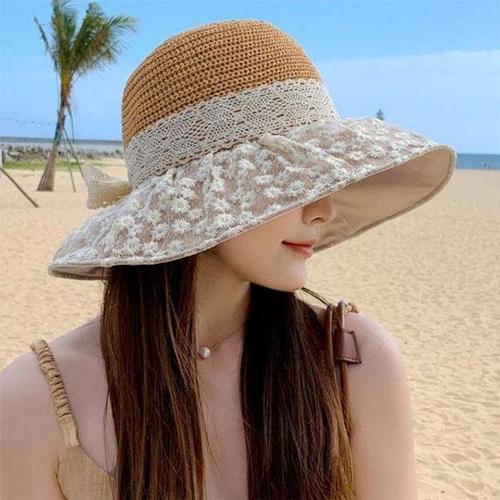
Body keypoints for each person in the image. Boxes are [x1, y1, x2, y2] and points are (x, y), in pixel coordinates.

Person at [0, 19, 456, 500]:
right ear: (202, 195)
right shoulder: (33, 402)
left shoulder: (357, 362)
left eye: (320, 179)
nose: (324, 209)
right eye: (288, 179)